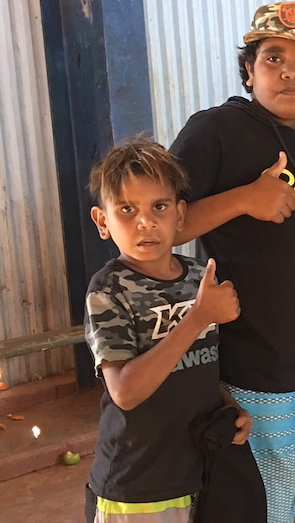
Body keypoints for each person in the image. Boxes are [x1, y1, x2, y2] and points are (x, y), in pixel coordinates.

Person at [169, 1, 295, 523]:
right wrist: (242, 199)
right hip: (260, 376)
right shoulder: (215, 130)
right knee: (258, 510)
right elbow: (158, 227)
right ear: (249, 69)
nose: (290, 71)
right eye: (273, 57)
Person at [83, 138, 251, 523]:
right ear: (103, 222)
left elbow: (197, 362)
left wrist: (229, 407)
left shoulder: (197, 276)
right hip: (137, 484)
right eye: (127, 209)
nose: (146, 221)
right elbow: (125, 392)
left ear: (179, 215)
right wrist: (195, 319)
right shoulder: (109, 289)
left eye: (159, 206)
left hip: (197, 472)